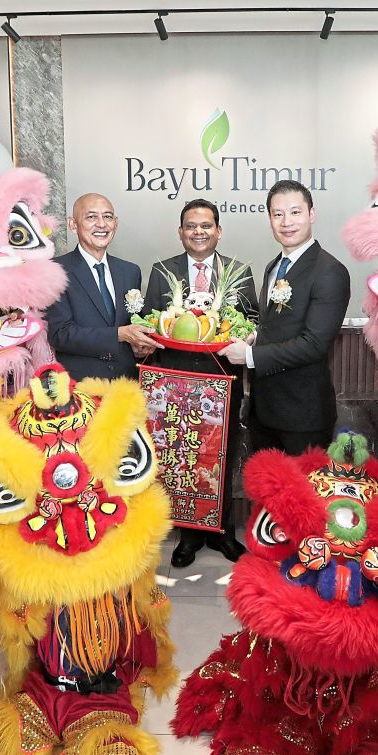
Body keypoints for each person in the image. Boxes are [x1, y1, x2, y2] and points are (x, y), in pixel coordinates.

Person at [143, 199, 259, 568]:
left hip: (222, 380)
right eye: (191, 226)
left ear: (218, 231)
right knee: (183, 458)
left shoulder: (239, 270)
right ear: (181, 232)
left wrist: (245, 335)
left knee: (220, 456)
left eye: (206, 225)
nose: (198, 231)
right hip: (177, 382)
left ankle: (222, 533)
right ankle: (188, 537)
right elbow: (151, 321)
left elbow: (252, 319)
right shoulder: (162, 271)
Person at [220, 180, 350, 455]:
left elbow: (315, 344)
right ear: (270, 220)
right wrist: (256, 336)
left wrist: (250, 356)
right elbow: (276, 324)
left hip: (303, 416)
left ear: (311, 214)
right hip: (263, 412)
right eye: (278, 214)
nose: (286, 222)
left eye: (295, 212)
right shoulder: (274, 266)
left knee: (301, 496)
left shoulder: (330, 271)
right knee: (265, 493)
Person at [47, 193, 158, 380]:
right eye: (91, 217)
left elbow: (132, 325)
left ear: (115, 223)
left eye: (107, 217)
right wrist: (119, 335)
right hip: (79, 388)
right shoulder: (55, 270)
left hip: (126, 385)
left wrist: (139, 346)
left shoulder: (130, 271)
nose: (101, 224)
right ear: (73, 224)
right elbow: (60, 335)